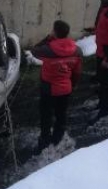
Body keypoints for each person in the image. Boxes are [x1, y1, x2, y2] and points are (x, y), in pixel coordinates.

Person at [31, 20, 83, 152]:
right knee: (61, 115)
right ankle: (57, 140)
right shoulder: (77, 51)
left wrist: (48, 38)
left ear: (54, 32)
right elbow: (77, 72)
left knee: (46, 116)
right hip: (65, 89)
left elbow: (34, 50)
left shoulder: (48, 50)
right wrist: (73, 85)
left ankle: (44, 143)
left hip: (48, 89)